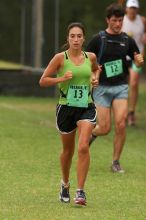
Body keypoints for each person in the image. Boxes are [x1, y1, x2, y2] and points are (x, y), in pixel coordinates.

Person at [39, 22, 101, 206]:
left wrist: (95, 78)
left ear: (83, 38)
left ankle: (80, 192)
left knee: (83, 146)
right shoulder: (60, 58)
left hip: (86, 106)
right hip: (66, 108)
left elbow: (96, 68)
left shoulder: (90, 57)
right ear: (68, 38)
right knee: (68, 151)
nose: (76, 39)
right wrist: (61, 78)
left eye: (79, 36)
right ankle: (65, 183)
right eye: (72, 36)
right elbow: (43, 81)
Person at [86, 3, 144, 173]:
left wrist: (139, 61)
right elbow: (85, 61)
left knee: (121, 124)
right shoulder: (99, 39)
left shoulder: (127, 40)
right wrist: (93, 73)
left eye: (120, 20)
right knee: (104, 128)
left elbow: (137, 58)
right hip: (102, 88)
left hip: (120, 87)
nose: (118, 24)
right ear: (107, 20)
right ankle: (90, 135)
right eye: (114, 20)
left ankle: (115, 161)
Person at [122, 0, 146, 126]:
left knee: (134, 82)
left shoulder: (142, 20)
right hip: (122, 57)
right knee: (122, 85)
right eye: (130, 8)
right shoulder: (121, 21)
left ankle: (131, 112)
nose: (132, 10)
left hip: (136, 57)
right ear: (126, 9)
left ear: (137, 9)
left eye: (134, 8)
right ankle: (123, 112)